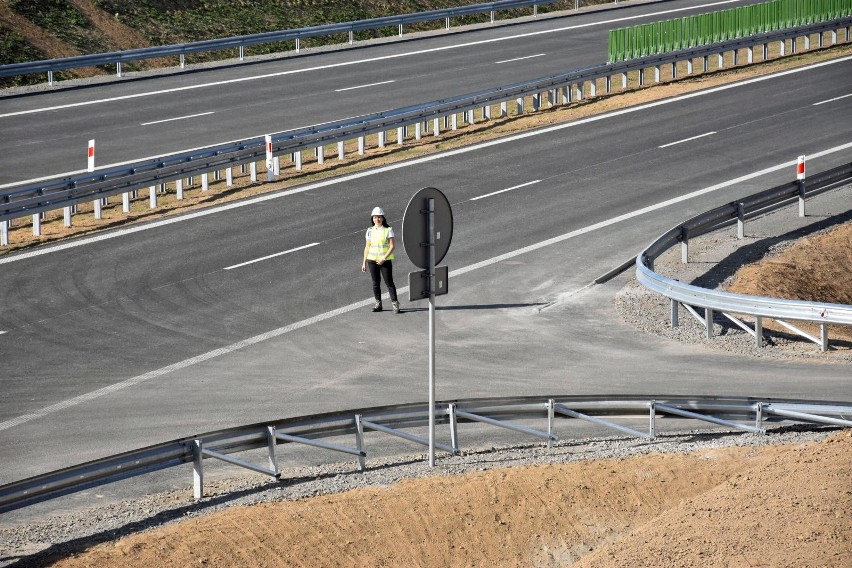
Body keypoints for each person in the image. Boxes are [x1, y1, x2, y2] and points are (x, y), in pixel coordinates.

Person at [361, 206, 400, 313]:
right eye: (375, 217)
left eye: (379, 217)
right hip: (372, 260)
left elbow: (392, 246)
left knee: (389, 282)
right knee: (375, 282)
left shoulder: (388, 230)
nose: (377, 219)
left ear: (382, 218)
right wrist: (364, 262)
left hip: (385, 261)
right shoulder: (369, 231)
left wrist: (384, 258)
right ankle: (378, 303)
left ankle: (395, 303)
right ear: (372, 219)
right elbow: (367, 247)